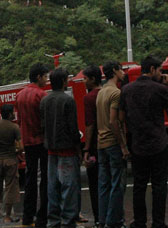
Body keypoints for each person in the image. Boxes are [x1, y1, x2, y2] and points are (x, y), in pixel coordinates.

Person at [120, 55, 168, 228]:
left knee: (139, 185)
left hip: (138, 145)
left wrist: (125, 143)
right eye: (160, 70)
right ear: (152, 69)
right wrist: (166, 87)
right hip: (158, 144)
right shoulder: (160, 89)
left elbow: (121, 119)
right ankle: (158, 222)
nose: (162, 74)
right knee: (159, 185)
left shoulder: (127, 90)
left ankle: (139, 221)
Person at [40, 68, 81, 228]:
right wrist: (78, 149)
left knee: (53, 187)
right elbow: (73, 127)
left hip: (51, 149)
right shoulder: (68, 100)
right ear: (64, 81)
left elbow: (43, 125)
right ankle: (68, 221)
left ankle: (53, 221)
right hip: (67, 149)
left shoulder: (45, 100)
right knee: (68, 187)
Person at [15, 63, 49, 228]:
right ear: (39, 77)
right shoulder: (42, 95)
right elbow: (45, 122)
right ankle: (42, 216)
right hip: (41, 142)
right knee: (44, 179)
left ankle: (27, 216)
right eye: (45, 76)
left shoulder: (19, 95)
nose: (47, 79)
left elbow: (19, 121)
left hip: (27, 142)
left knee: (29, 179)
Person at [95, 61, 128, 228]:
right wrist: (123, 145)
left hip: (101, 143)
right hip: (113, 143)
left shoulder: (101, 92)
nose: (123, 72)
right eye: (121, 69)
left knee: (104, 184)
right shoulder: (116, 93)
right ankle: (114, 221)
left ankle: (102, 220)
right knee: (117, 183)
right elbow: (114, 121)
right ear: (115, 71)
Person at [0, 104, 23, 222]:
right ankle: (7, 216)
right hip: (10, 160)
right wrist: (15, 151)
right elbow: (21, 147)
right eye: (13, 112)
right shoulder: (14, 127)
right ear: (10, 113)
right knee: (10, 187)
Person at [81, 65, 102, 228]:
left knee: (94, 184)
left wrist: (86, 149)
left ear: (93, 79)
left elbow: (89, 125)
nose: (83, 81)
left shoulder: (89, 98)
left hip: (95, 146)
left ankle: (98, 219)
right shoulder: (109, 93)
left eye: (85, 78)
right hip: (110, 144)